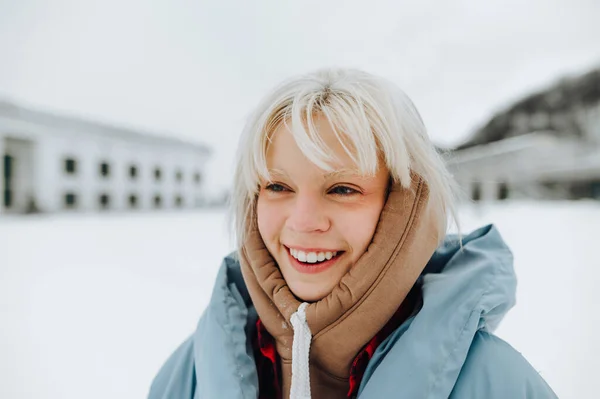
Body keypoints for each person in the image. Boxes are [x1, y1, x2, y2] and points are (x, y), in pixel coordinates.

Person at [148, 68, 557, 398]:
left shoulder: (496, 383)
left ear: (404, 207)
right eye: (278, 186)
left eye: (343, 189)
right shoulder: (194, 371)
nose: (304, 221)